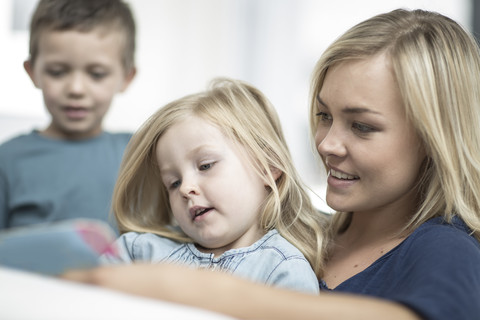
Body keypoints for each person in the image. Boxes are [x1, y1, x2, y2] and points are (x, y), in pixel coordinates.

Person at [62, 8, 480, 320]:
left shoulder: (444, 248)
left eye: (362, 126)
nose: (327, 143)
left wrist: (200, 292)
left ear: (433, 139)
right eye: (323, 116)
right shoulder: (300, 229)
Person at [100, 78, 324, 294]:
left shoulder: (284, 270)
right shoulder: (139, 251)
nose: (185, 188)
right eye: (173, 182)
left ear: (268, 166)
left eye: (206, 166)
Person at [0, 0, 137, 231]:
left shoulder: (141, 155)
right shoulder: (7, 160)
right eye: (57, 72)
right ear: (32, 72)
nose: (76, 89)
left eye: (96, 74)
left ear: (126, 77)